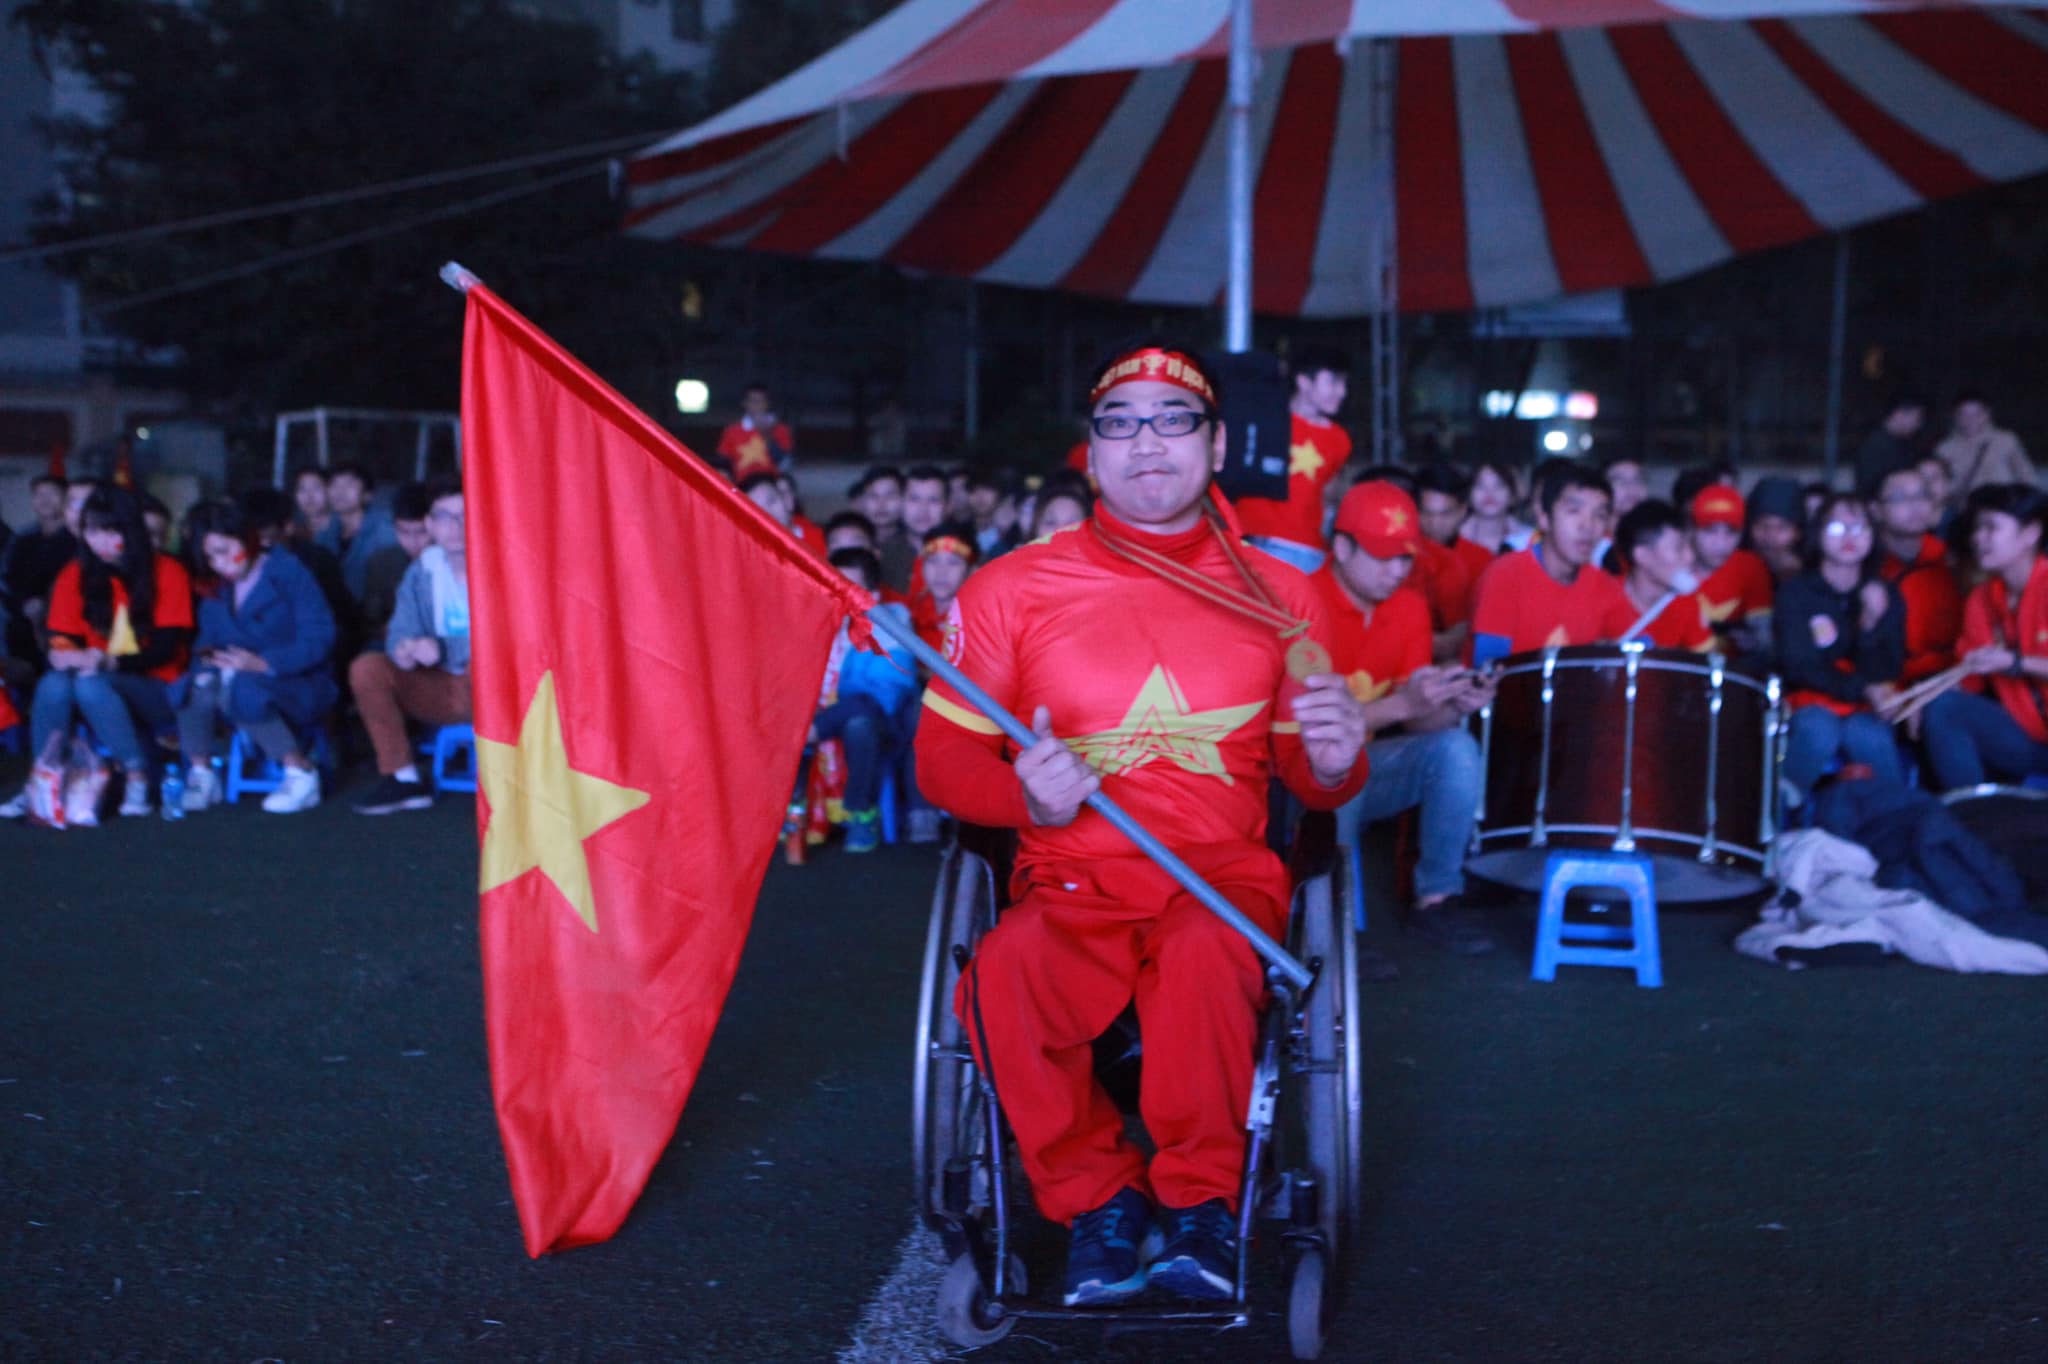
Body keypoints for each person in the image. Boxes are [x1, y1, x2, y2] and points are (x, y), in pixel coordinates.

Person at [917, 341, 1367, 1307]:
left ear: (1214, 447)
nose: (1146, 442)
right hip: (1071, 881)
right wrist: (1026, 802)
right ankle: (1096, 1200)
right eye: (1119, 422)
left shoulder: (1287, 597)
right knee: (1001, 978)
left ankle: (1202, 1203)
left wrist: (1335, 763)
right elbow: (942, 761)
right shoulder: (1010, 590)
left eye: (1174, 420)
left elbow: (1312, 775)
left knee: (1209, 958)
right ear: (1091, 452)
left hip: (1221, 881)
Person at [1315, 480, 1496, 955]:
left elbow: (1417, 721)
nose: (1396, 570)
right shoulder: (1303, 603)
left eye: (1404, 557)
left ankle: (1436, 900)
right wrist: (1404, 706)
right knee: (1341, 760)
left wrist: (1450, 702)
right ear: (1340, 546)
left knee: (1456, 747)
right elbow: (1311, 732)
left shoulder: (1409, 607)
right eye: (1381, 555)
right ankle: (1338, 928)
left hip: (1370, 766)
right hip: (1299, 777)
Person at [1, 486, 193, 819]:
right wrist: (64, 653)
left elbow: (164, 650)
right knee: (55, 682)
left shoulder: (167, 571)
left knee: (90, 682)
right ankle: (42, 781)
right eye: (92, 531)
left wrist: (107, 660)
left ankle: (137, 777)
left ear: (130, 531)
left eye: (111, 531)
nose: (101, 541)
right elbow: (60, 637)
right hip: (90, 679)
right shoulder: (75, 574)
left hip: (155, 687)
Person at [170, 501, 338, 813]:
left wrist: (265, 663)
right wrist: (208, 659)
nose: (219, 563)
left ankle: (300, 771)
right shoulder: (216, 586)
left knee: (246, 687)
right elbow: (207, 640)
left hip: (297, 680)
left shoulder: (288, 572)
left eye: (223, 550)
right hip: (232, 675)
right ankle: (202, 772)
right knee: (195, 684)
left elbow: (320, 636)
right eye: (210, 557)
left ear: (246, 538)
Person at [1772, 493, 1907, 800]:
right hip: (1809, 700)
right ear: (1817, 535)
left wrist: (1871, 624)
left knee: (1870, 736)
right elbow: (1798, 665)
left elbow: (1890, 667)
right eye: (1836, 528)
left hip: (1868, 706)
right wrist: (1861, 688)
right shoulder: (1796, 592)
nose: (1849, 537)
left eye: (1860, 528)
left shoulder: (1886, 592)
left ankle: (1894, 821)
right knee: (1818, 731)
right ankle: (1778, 818)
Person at [348, 482, 471, 815]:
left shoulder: (502, 564)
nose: (455, 527)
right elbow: (400, 629)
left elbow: (512, 640)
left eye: (464, 515)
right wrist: (404, 648)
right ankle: (403, 778)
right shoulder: (423, 570)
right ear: (429, 524)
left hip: (497, 688)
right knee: (368, 667)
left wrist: (444, 648)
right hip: (441, 686)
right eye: (444, 517)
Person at [1921, 485, 2048, 789]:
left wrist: (2015, 662)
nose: (1979, 538)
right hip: (2029, 737)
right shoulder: (1982, 598)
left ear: (2031, 533)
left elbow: (2007, 663)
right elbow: (1970, 677)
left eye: (1991, 527)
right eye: (1978, 528)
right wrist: (1925, 698)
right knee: (1945, 708)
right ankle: (1973, 814)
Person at [797, 546, 918, 854]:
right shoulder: (814, 623)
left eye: (850, 589)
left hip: (885, 724)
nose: (840, 597)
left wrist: (824, 720)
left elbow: (887, 693)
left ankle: (861, 813)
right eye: (833, 587)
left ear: (872, 594)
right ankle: (792, 816)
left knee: (860, 718)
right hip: (825, 714)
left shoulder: (892, 622)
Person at [1468, 460, 1627, 660]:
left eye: (1599, 515)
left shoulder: (1606, 586)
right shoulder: (1504, 575)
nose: (1587, 526)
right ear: (1544, 518)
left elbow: (1640, 647)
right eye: (1573, 511)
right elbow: (1489, 668)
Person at [1235, 345, 1350, 573]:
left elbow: (1328, 497)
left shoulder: (1339, 440)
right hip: (1256, 546)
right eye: (1334, 382)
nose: (1342, 392)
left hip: (1311, 553)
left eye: (1344, 383)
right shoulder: (1261, 422)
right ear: (1304, 381)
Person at [1869, 464, 1962, 684]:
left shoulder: (1951, 562)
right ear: (1875, 509)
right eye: (1900, 497)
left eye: (1922, 495)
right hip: (1882, 685)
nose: (1915, 506)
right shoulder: (1861, 565)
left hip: (1945, 681)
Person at [1604, 500, 1712, 651]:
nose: (1690, 557)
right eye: (1679, 548)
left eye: (1690, 546)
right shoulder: (1601, 597)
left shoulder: (1686, 603)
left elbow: (1707, 665)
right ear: (1642, 555)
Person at [1689, 485, 1775, 654]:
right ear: (1692, 530)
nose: (1720, 544)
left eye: (1731, 532)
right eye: (1710, 531)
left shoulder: (1750, 567)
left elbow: (1764, 639)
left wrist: (1752, 641)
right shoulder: (1669, 565)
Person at [3, 474, 77, 663]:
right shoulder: (22, 538)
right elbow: (9, 578)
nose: (45, 500)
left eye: (52, 494)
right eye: (38, 494)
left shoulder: (77, 538)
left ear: (65, 498)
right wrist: (24, 603)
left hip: (65, 611)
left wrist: (46, 603)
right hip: (22, 610)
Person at [315, 463, 399, 601]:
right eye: (334, 485)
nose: (340, 492)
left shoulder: (385, 529)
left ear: (367, 495)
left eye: (349, 485)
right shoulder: (325, 534)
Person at [360, 481, 433, 639]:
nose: (413, 542)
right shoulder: (381, 563)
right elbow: (370, 622)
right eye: (404, 532)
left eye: (422, 532)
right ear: (394, 527)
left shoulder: (453, 563)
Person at [1934, 391, 2035, 500]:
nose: (1970, 420)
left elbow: (2026, 475)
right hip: (1968, 509)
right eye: (1963, 414)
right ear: (1955, 416)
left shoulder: (2006, 440)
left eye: (1976, 414)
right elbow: (1942, 486)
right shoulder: (1945, 449)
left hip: (2005, 506)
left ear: (1987, 414)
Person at [1853, 392, 1927, 499]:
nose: (1918, 425)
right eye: (1917, 418)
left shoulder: (1903, 443)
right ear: (1900, 414)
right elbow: (1871, 489)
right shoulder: (1876, 446)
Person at [850, 467, 914, 592]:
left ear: (904, 499)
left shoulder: (914, 544)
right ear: (862, 501)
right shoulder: (851, 543)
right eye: (874, 496)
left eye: (890, 496)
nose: (881, 504)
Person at [1458, 459, 1534, 561]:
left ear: (1512, 495)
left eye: (1499, 486)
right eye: (1480, 485)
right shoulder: (1455, 538)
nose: (1489, 493)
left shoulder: (1529, 540)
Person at [716, 382, 794, 480]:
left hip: (771, 482)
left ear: (767, 403)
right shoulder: (732, 431)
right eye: (753, 401)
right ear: (744, 403)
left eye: (761, 401)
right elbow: (723, 462)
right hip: (741, 484)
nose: (757, 405)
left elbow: (785, 463)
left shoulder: (781, 429)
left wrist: (766, 434)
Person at [1745, 476, 1807, 584]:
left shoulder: (1813, 576)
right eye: (1762, 525)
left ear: (1797, 533)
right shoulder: (1732, 572)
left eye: (1782, 528)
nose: (1771, 536)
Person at [294, 468, 333, 540]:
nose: (309, 496)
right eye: (302, 489)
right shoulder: (292, 528)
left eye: (316, 488)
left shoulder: (343, 528)